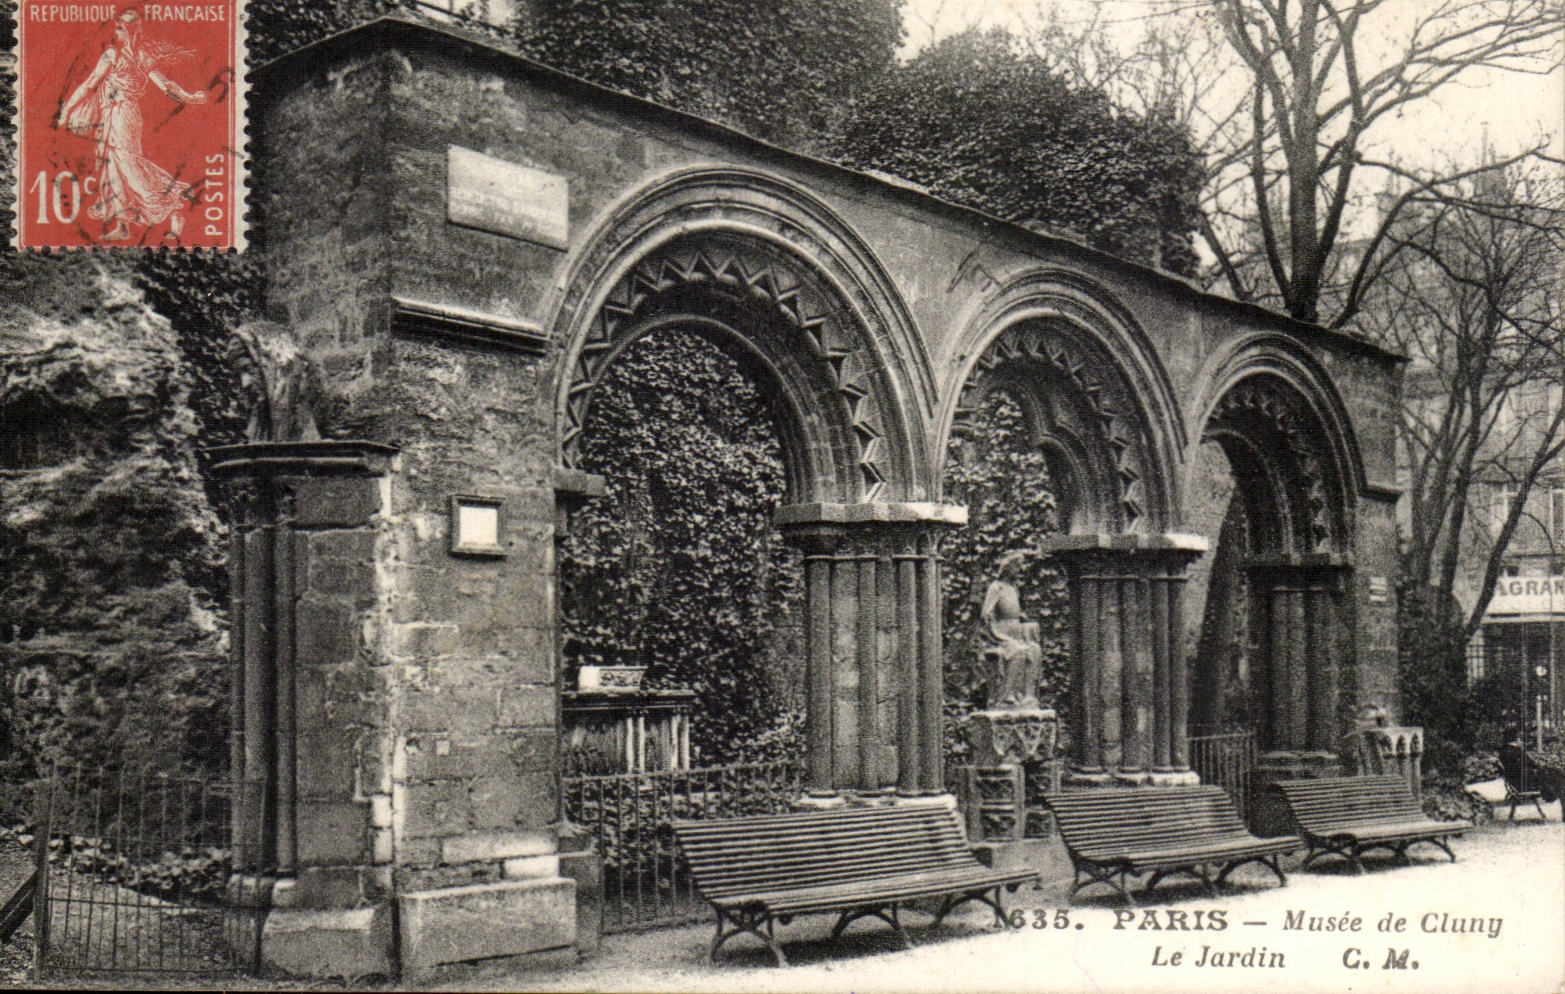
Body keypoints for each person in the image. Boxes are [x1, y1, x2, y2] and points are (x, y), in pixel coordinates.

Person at [57, 10, 207, 241]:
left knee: (128, 166)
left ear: (130, 30)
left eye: (120, 28)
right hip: (116, 115)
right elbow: (166, 87)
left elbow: (89, 85)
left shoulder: (116, 55)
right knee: (114, 167)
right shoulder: (140, 55)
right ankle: (123, 225)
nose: (116, 32)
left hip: (122, 115)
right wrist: (189, 98)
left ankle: (171, 206)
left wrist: (66, 112)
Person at [980, 550, 1044, 709]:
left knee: (1034, 650)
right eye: (1015, 566)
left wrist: (1023, 621)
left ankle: (1028, 696)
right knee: (1016, 652)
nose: (1018, 570)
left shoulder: (1013, 588)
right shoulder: (996, 588)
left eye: (1019, 566)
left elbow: (1016, 613)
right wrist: (996, 633)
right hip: (1001, 634)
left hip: (1017, 632)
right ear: (1006, 567)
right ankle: (1006, 696)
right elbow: (986, 613)